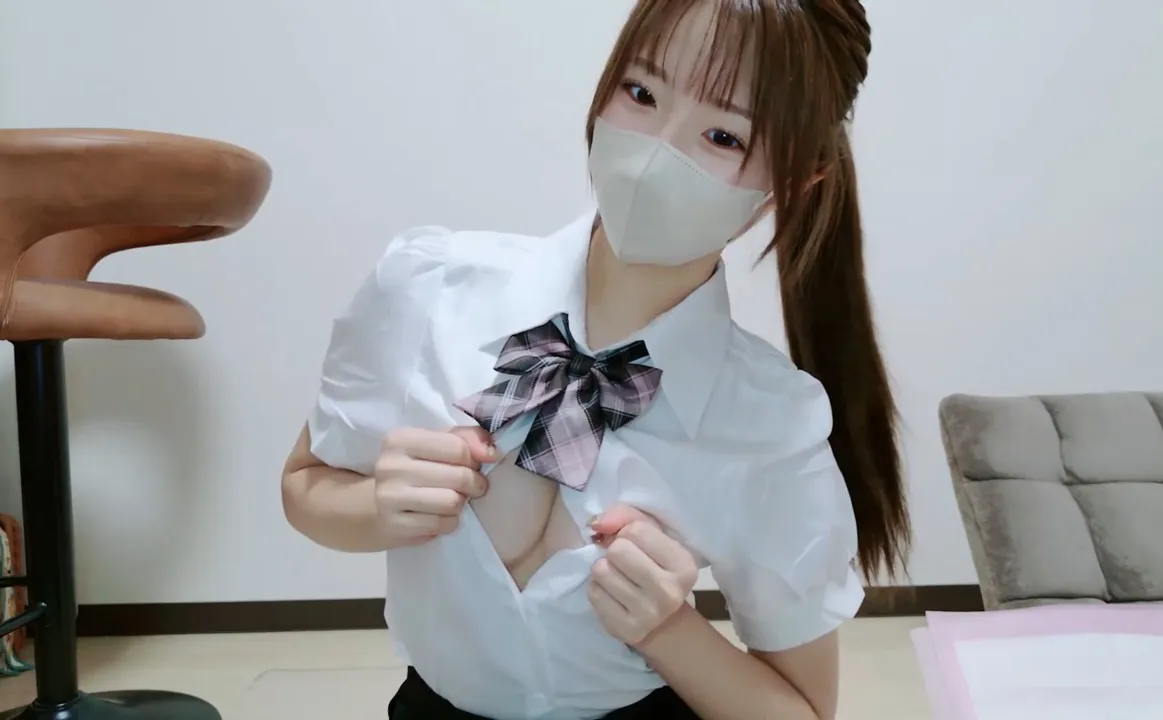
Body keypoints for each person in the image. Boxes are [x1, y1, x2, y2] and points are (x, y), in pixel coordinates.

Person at [281, 0, 909, 718]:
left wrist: (669, 630)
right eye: (640, 93)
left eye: (722, 136)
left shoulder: (771, 423)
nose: (654, 156)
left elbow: (803, 713)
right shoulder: (429, 286)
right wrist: (374, 507)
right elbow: (304, 487)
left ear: (794, 184)